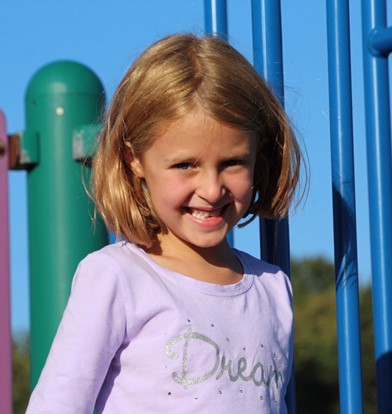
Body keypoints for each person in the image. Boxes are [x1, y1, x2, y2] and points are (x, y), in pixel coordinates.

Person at [25, 33, 305, 413]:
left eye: (232, 163)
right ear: (134, 159)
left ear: (258, 155)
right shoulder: (118, 277)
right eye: (185, 165)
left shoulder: (272, 290)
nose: (211, 188)